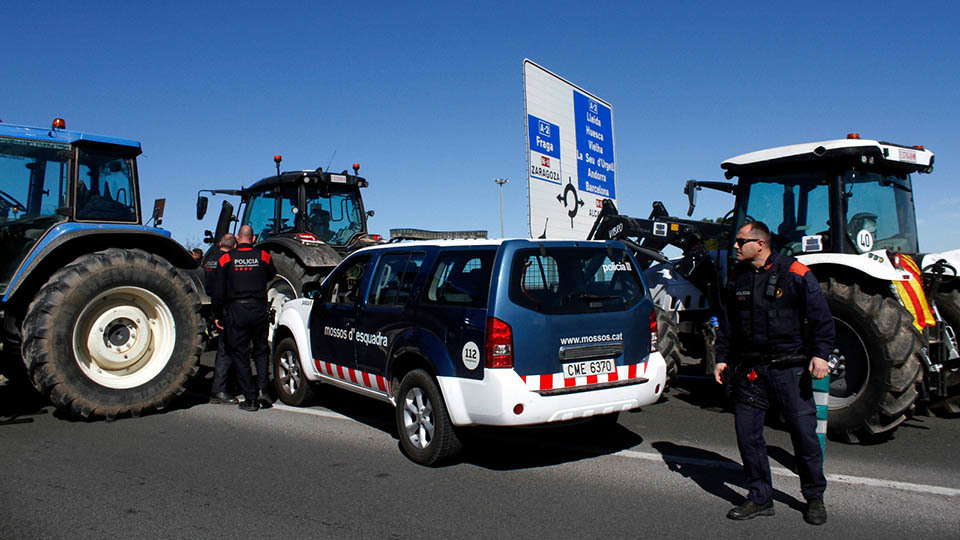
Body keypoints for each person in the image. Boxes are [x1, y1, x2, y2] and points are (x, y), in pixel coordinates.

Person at [714, 221, 834, 526]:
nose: (736, 246)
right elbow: (727, 326)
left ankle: (814, 497)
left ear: (761, 244)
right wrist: (721, 359)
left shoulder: (795, 273)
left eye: (741, 242)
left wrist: (821, 354)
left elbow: (821, 319)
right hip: (750, 372)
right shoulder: (736, 279)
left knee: (804, 435)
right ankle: (760, 497)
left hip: (789, 370)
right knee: (748, 435)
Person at [212, 225, 277, 412]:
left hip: (237, 309)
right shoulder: (263, 256)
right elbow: (271, 274)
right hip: (258, 308)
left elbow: (218, 291)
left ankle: (250, 399)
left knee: (240, 354)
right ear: (253, 237)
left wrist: (218, 314)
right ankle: (263, 390)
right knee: (261, 350)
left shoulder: (225, 258)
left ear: (238, 238)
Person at [206, 233, 239, 404]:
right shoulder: (228, 260)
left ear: (219, 243)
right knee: (227, 351)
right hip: (224, 306)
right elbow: (222, 288)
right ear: (234, 246)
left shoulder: (209, 258)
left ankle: (222, 386)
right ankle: (220, 389)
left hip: (209, 303)